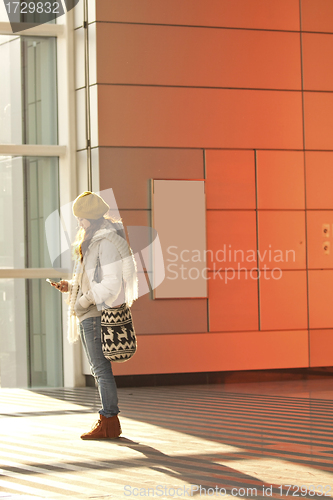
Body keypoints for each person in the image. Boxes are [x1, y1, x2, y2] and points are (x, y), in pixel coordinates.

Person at [49, 191, 138, 439]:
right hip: (90, 310)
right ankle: (108, 420)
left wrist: (83, 300)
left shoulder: (106, 242)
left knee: (100, 369)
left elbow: (111, 284)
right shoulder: (97, 240)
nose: (79, 222)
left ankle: (109, 421)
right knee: (100, 368)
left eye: (82, 218)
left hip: (94, 313)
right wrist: (70, 285)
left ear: (92, 217)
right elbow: (91, 278)